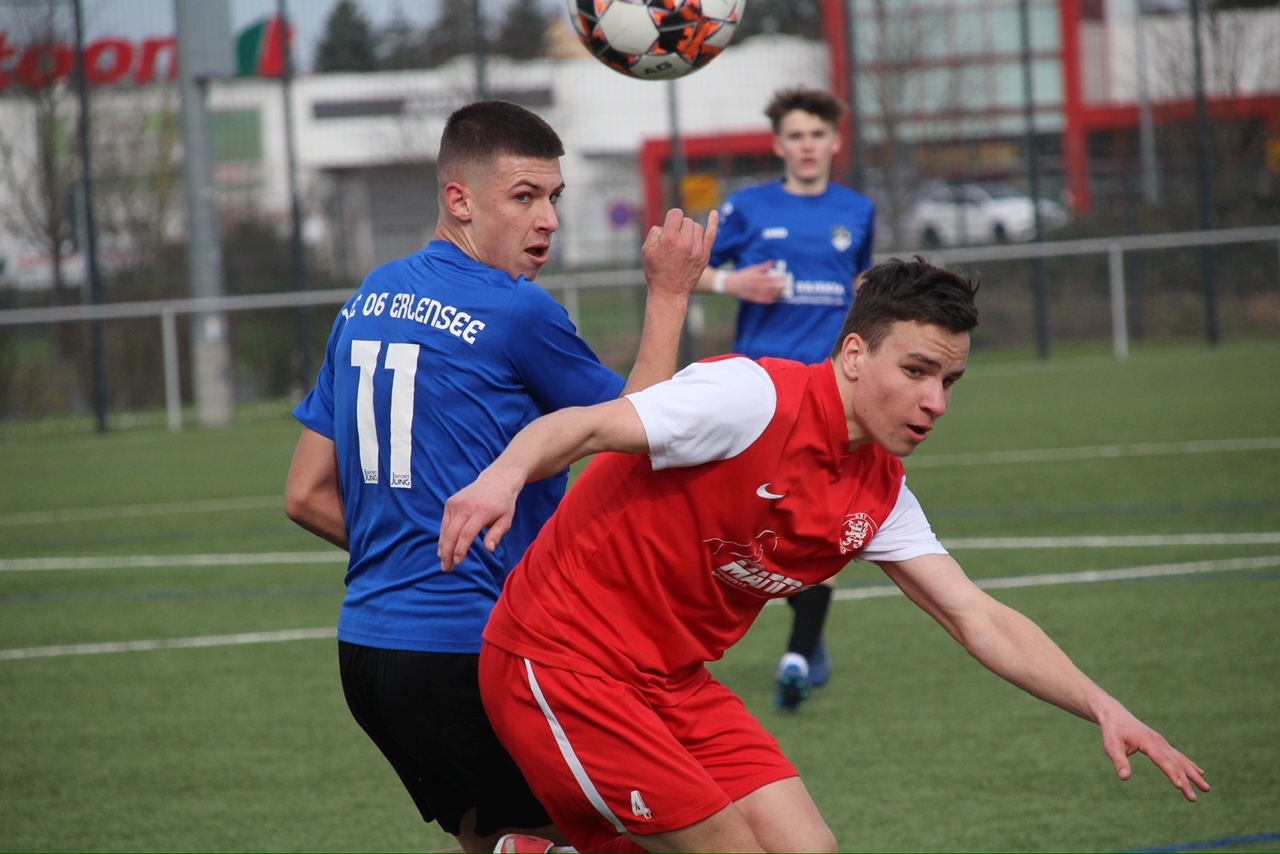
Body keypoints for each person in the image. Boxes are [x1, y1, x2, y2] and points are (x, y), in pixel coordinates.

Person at [439, 257, 1210, 853]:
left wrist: (1103, 706)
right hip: (559, 657)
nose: (936, 401)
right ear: (853, 354)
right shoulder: (749, 399)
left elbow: (977, 616)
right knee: (726, 847)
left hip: (670, 682)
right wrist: (503, 478)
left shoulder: (880, 493)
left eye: (950, 380)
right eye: (916, 371)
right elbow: (582, 425)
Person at [283, 99, 716, 854]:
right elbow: (640, 429)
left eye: (554, 197)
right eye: (523, 197)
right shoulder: (517, 311)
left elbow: (305, 494)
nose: (548, 219)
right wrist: (671, 295)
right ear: (460, 200)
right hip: (477, 649)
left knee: (501, 835)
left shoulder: (366, 299)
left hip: (369, 657)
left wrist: (418, 556)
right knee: (656, 838)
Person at [696, 87, 877, 711]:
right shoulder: (748, 208)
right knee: (746, 520)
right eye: (796, 136)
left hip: (828, 394)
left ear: (835, 141)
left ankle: (798, 654)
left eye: (817, 135)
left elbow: (863, 286)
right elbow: (685, 267)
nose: (807, 146)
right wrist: (732, 280)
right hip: (758, 391)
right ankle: (803, 635)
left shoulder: (857, 210)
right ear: (779, 144)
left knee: (818, 520)